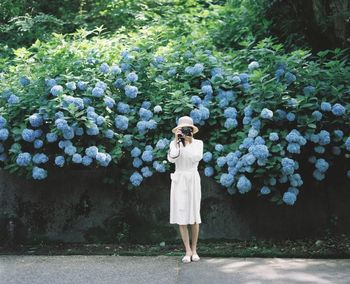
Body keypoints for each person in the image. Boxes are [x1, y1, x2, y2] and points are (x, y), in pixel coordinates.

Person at [167, 115, 204, 264]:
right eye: (182, 129)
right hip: (179, 179)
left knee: (194, 216)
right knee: (182, 215)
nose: (185, 131)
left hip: (193, 179)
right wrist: (178, 143)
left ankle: (194, 249)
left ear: (192, 130)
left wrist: (188, 143)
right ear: (178, 130)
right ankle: (187, 250)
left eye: (188, 129)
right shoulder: (174, 144)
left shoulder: (198, 143)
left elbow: (196, 157)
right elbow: (172, 158)